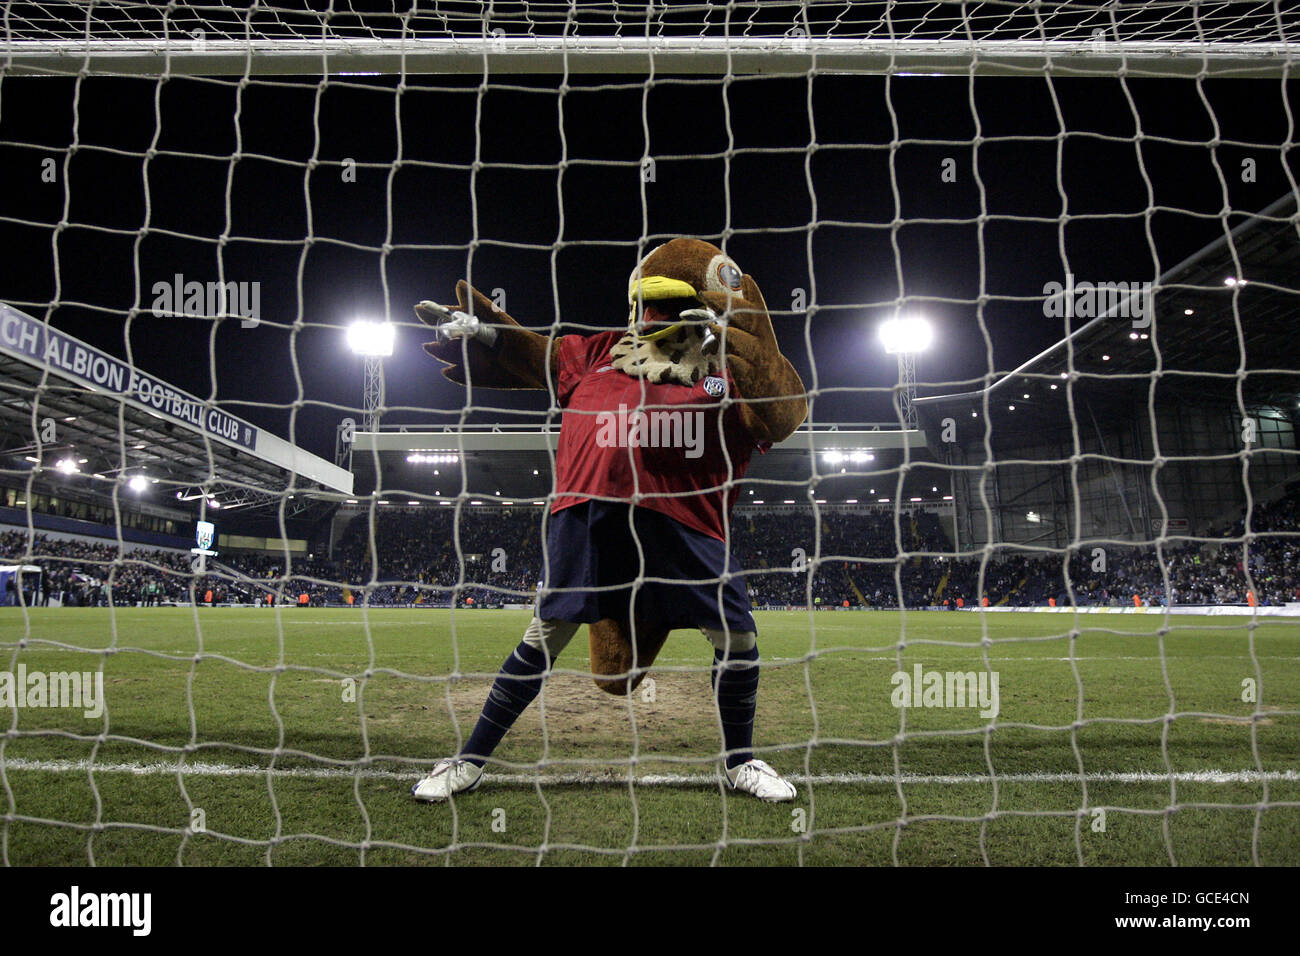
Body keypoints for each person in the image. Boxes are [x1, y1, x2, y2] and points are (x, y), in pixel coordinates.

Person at [411, 239, 807, 803]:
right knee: (545, 635)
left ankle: (740, 762)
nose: (657, 318)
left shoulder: (725, 364)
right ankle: (469, 761)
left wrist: (743, 349)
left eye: (674, 307)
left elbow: (779, 416)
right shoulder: (600, 350)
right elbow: (538, 357)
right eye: (652, 306)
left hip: (684, 516)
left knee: (738, 634)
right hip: (589, 509)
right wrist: (484, 332)